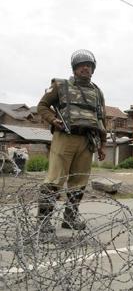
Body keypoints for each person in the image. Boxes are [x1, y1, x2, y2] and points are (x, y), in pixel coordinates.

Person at [36, 49, 107, 233]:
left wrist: (102, 144)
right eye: (81, 65)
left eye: (89, 66)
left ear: (93, 69)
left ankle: (69, 218)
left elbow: (101, 119)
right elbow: (42, 106)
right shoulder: (61, 85)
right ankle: (43, 220)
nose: (85, 68)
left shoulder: (97, 92)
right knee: (55, 179)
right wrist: (53, 119)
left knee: (79, 182)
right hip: (65, 137)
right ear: (74, 68)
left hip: (88, 140)